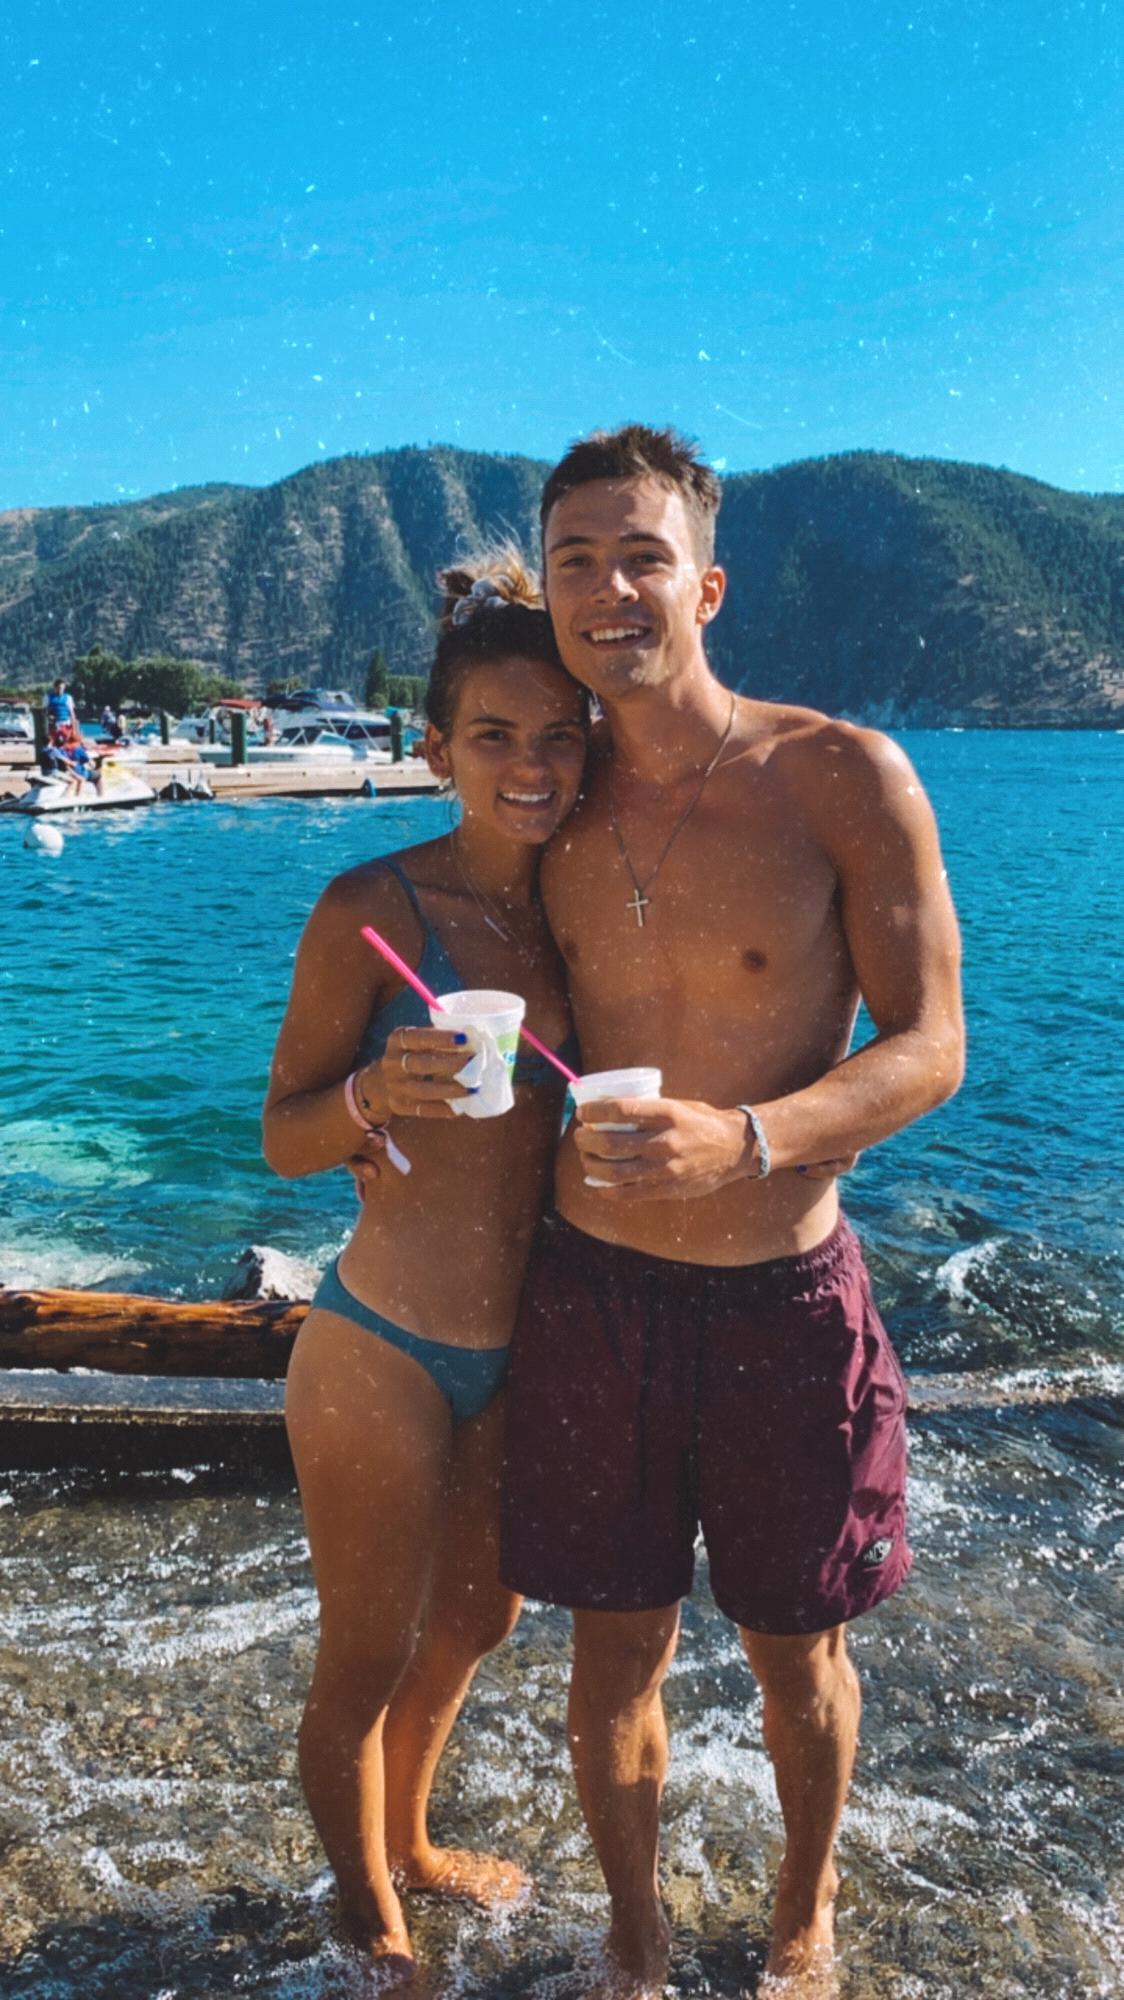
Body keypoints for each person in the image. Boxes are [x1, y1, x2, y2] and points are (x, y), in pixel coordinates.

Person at [499, 425, 966, 1999]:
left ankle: (801, 1917)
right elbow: (447, 948)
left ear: (708, 587)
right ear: (548, 592)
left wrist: (751, 1137)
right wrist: (388, 1104)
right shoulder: (544, 794)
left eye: (643, 556)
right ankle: (633, 1944)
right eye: (575, 560)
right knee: (612, 1648)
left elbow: (932, 1045)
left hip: (783, 1296)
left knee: (796, 1649)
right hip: (594, 1293)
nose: (608, 588)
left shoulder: (839, 775)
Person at [262, 554, 588, 1982]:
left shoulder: (580, 905)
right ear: (437, 747)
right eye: (493, 735)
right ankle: (370, 1924)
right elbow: (281, 1136)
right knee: (366, 1655)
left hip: (519, 1345)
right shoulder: (371, 909)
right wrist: (365, 1099)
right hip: (382, 1341)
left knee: (478, 1618)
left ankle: (409, 1839)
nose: (531, 766)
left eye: (559, 735)